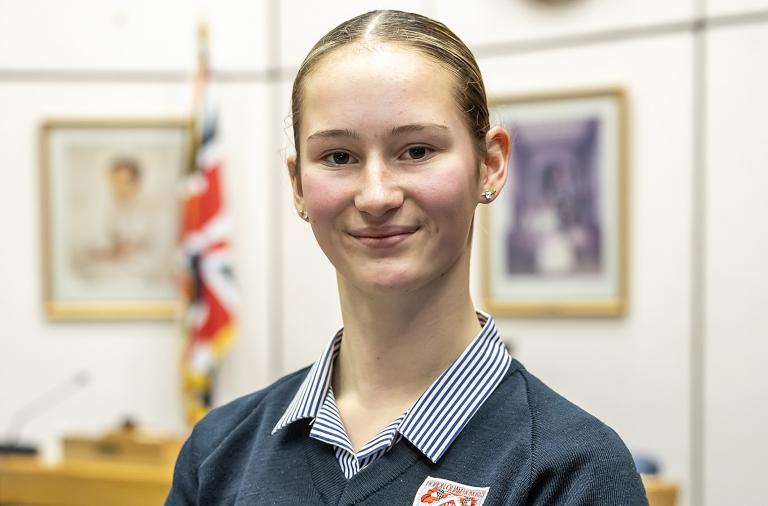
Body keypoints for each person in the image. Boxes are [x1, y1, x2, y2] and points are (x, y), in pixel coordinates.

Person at [166, 10, 647, 505]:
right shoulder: (219, 452)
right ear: (298, 185)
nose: (376, 196)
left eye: (416, 151)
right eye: (338, 157)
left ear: (491, 165)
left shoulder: (570, 471)